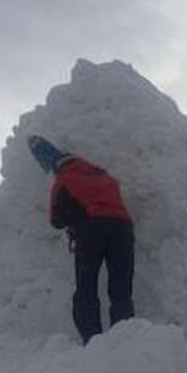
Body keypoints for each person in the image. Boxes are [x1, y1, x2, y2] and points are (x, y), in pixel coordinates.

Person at [28, 135, 135, 344]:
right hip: (122, 230)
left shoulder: (64, 180)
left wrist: (75, 219)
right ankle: (124, 342)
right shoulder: (106, 177)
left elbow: (56, 219)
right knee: (121, 289)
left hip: (92, 231)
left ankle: (92, 340)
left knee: (86, 287)